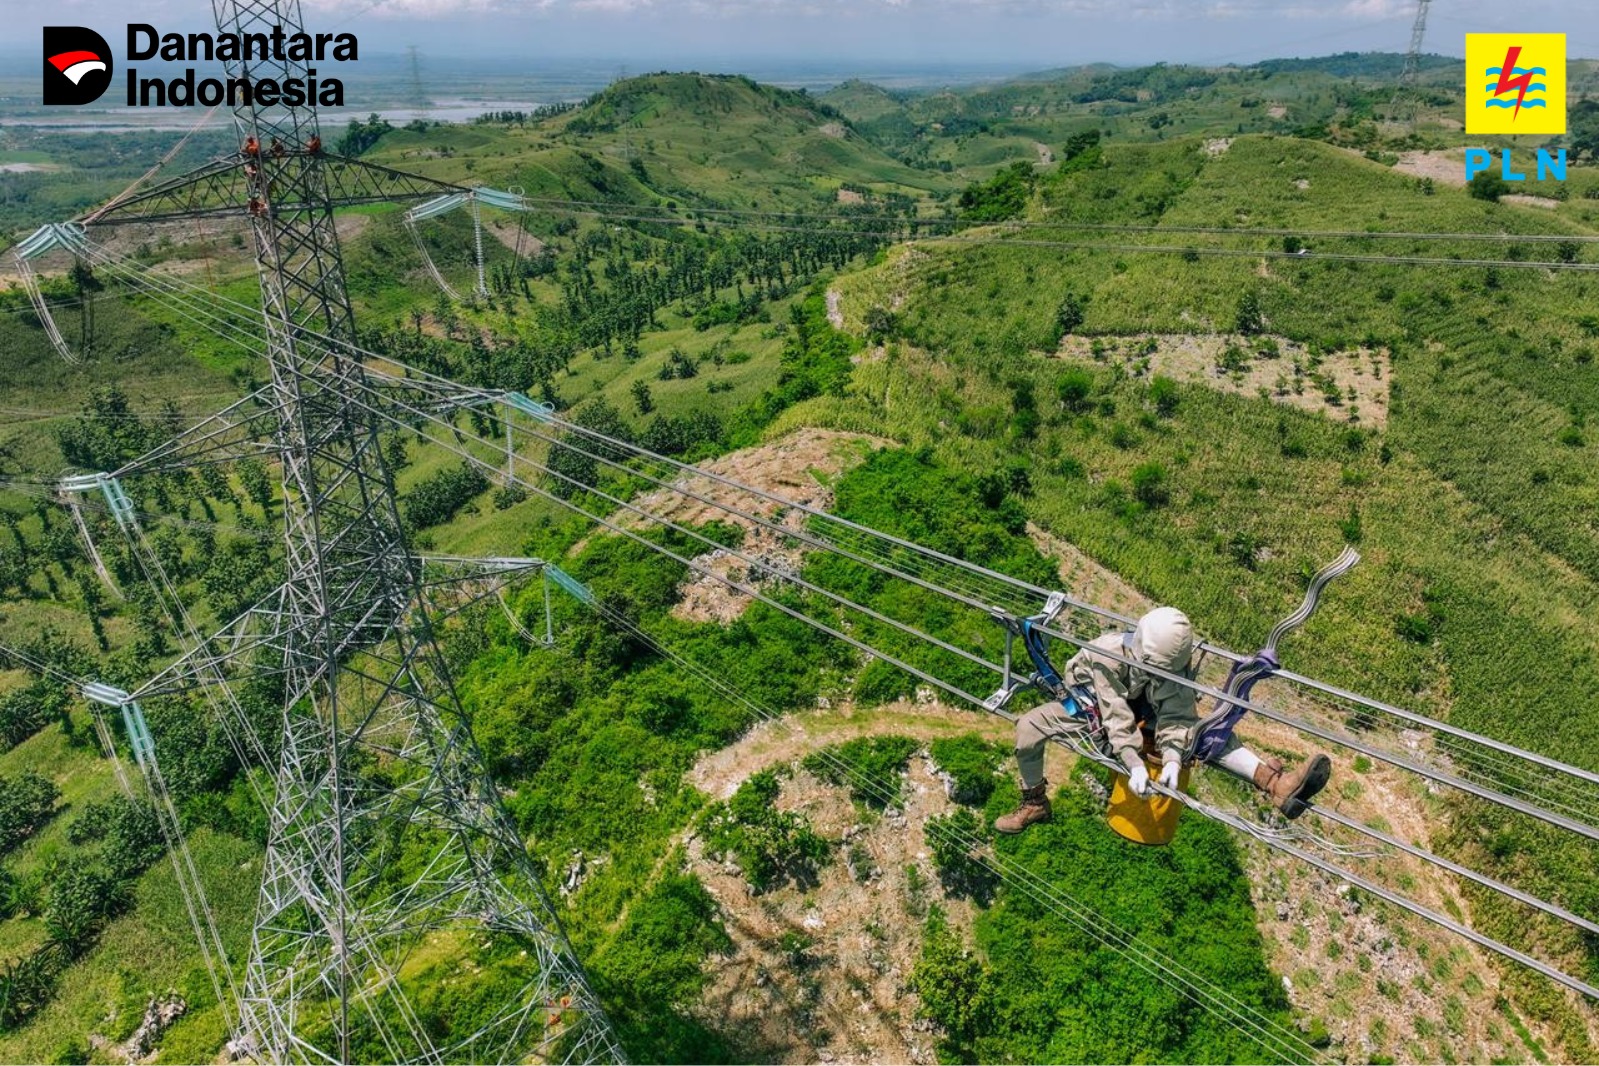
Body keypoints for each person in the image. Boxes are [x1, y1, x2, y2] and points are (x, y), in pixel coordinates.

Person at [995, 606, 1332, 834]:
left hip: (1142, 701)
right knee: (1028, 727)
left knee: (1200, 733)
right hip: (1091, 703)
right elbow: (1114, 715)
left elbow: (1177, 712)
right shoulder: (1107, 657)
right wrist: (1134, 763)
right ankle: (1035, 802)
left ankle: (1275, 783)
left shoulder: (1171, 661)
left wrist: (1171, 757)